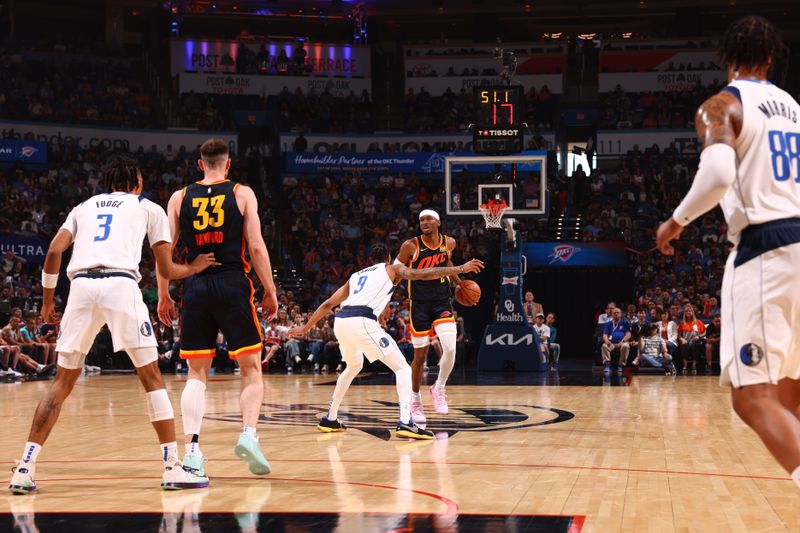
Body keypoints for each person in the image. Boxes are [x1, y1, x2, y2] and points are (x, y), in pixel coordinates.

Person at [9, 156, 215, 494]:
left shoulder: (83, 207)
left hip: (81, 287)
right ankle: (171, 467)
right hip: (119, 284)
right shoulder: (147, 207)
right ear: (136, 182)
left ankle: (25, 467)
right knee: (151, 378)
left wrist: (48, 301)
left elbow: (52, 252)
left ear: (108, 183)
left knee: (61, 384)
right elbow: (165, 269)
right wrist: (193, 267)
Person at [656, 16, 800, 486]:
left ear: (728, 59)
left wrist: (674, 223)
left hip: (767, 249)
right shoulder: (794, 107)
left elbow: (718, 175)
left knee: (752, 398)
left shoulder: (722, 104)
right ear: (772, 58)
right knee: (790, 394)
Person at [156, 138, 279, 484]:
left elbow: (163, 251)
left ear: (200, 164)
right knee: (251, 368)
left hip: (195, 286)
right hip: (231, 281)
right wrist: (270, 290)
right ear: (227, 165)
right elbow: (255, 245)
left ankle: (192, 452)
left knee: (196, 373)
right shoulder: (242, 193)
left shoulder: (179, 198)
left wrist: (163, 294)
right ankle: (248, 435)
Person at [287, 243, 483, 438]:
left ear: (370, 260)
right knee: (403, 369)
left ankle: (330, 417)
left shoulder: (356, 276)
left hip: (341, 321)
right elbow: (424, 274)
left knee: (353, 366)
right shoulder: (392, 269)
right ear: (388, 258)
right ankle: (406, 422)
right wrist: (461, 269)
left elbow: (329, 303)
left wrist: (304, 328)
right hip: (362, 321)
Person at [395, 209, 469, 425]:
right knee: (420, 357)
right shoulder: (411, 246)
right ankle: (415, 398)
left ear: (438, 222)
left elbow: (446, 264)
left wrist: (460, 284)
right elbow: (397, 270)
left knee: (451, 348)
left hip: (441, 302)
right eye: (421, 220)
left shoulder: (450, 243)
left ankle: (438, 388)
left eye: (428, 219)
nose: (424, 222)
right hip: (418, 305)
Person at [601, 307, 631, 373]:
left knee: (626, 346)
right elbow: (605, 335)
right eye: (614, 313)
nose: (616, 314)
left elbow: (628, 335)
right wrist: (608, 342)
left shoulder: (625, 323)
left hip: (622, 343)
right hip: (611, 343)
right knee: (604, 346)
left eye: (618, 312)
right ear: (612, 314)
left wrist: (621, 342)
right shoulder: (608, 324)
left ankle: (620, 365)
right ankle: (607, 365)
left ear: (621, 314)